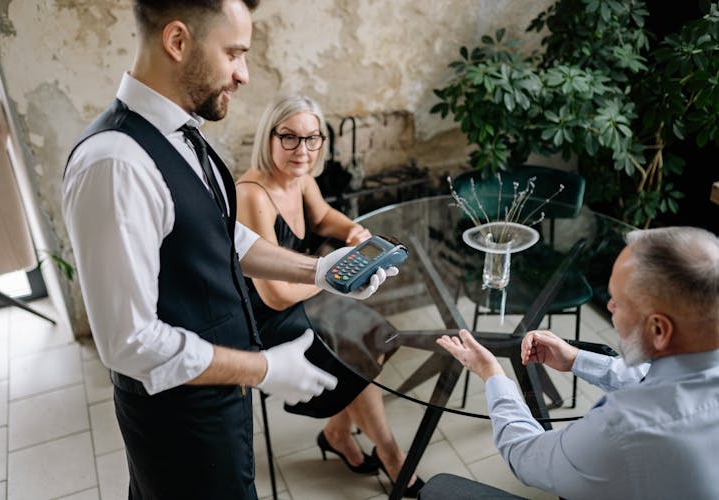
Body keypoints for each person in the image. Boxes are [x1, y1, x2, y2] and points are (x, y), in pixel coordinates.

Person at [61, 2, 397, 499]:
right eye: (235, 53)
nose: (242, 74)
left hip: (220, 390)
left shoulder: (184, 137)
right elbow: (128, 342)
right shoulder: (115, 164)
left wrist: (321, 270)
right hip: (178, 421)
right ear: (177, 42)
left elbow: (226, 238)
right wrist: (264, 368)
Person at [427, 226, 719, 500]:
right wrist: (577, 360)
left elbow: (525, 456)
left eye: (618, 301)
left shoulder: (624, 430)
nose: (609, 306)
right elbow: (660, 380)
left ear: (659, 330)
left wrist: (491, 373)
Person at [235, 94, 424, 497]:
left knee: (378, 336)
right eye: (289, 138)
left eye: (312, 139)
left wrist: (353, 233)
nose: (301, 150)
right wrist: (330, 276)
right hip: (263, 316)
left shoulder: (300, 175)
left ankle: (338, 431)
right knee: (352, 352)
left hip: (304, 292)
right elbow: (276, 295)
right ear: (268, 138)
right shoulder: (252, 195)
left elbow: (321, 217)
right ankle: (391, 453)